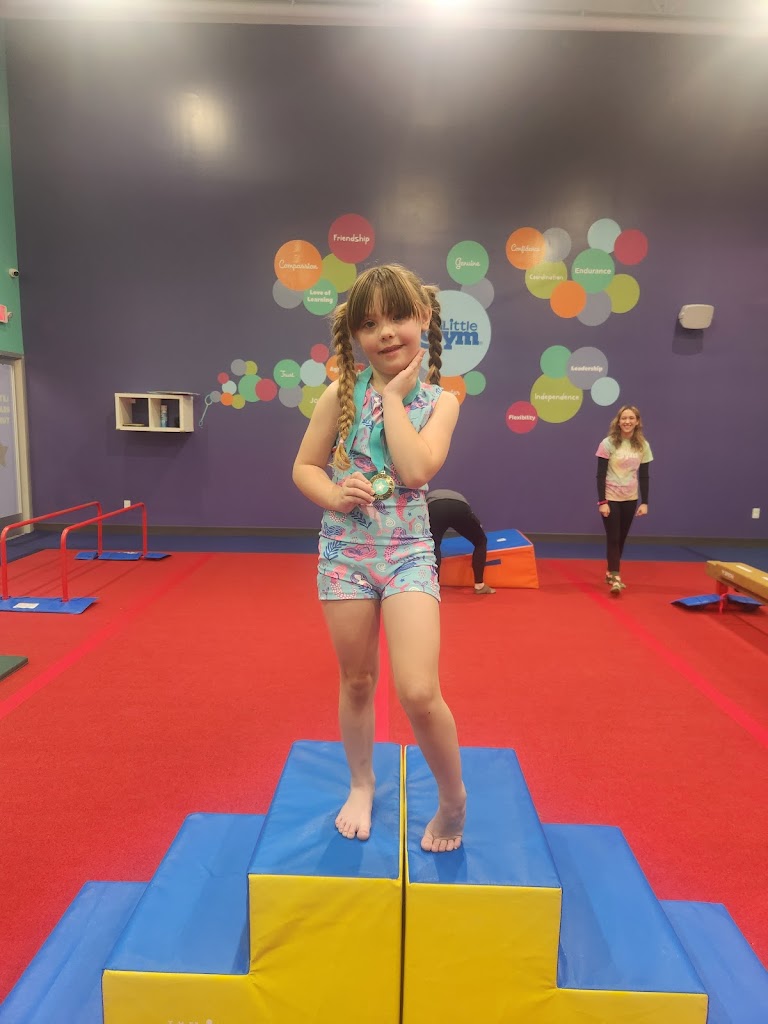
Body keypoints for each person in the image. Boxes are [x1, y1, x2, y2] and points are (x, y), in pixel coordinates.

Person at [292, 263, 466, 854]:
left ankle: (453, 799)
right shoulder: (339, 396)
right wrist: (333, 493)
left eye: (397, 317)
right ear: (356, 335)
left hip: (408, 553)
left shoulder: (440, 402)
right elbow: (304, 467)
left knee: (417, 689)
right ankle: (361, 783)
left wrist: (391, 395)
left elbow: (415, 470)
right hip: (345, 553)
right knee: (358, 680)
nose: (385, 332)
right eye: (369, 324)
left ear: (423, 317)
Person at [596, 405, 653, 595]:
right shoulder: (608, 443)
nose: (627, 421)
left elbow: (644, 475)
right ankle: (616, 577)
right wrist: (602, 502)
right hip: (611, 497)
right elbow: (600, 475)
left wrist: (644, 502)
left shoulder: (643, 445)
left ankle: (609, 572)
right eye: (624, 418)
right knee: (613, 537)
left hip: (630, 498)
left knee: (621, 538)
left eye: (631, 418)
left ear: (637, 422)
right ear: (618, 421)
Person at [427, 489, 495, 595]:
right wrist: (478, 526)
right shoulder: (459, 498)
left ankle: (434, 586)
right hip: (459, 508)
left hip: (436, 507)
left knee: (434, 544)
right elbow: (473, 517)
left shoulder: (430, 496)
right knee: (481, 541)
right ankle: (480, 586)